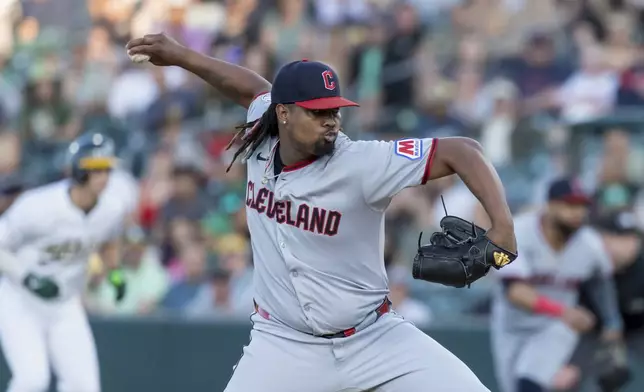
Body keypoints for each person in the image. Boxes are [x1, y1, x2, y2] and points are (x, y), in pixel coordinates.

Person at [127, 33, 517, 392]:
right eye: (317, 112)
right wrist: (181, 56)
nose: (330, 120)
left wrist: (502, 226)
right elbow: (250, 87)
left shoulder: (361, 163)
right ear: (283, 113)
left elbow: (464, 150)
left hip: (373, 339)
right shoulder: (262, 129)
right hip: (282, 344)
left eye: (335, 110)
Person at [0, 133, 128, 392]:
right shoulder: (38, 206)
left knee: (84, 386)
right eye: (96, 169)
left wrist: (114, 273)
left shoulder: (112, 208)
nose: (104, 176)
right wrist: (26, 276)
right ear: (79, 169)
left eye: (106, 169)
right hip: (19, 300)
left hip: (66, 304)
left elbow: (109, 240)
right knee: (32, 380)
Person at [490, 178, 623, 392]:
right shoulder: (516, 234)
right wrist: (563, 311)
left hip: (555, 326)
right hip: (511, 326)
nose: (577, 212)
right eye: (569, 204)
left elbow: (602, 284)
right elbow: (515, 292)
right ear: (550, 205)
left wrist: (612, 322)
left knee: (529, 383)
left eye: (581, 206)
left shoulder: (590, 244)